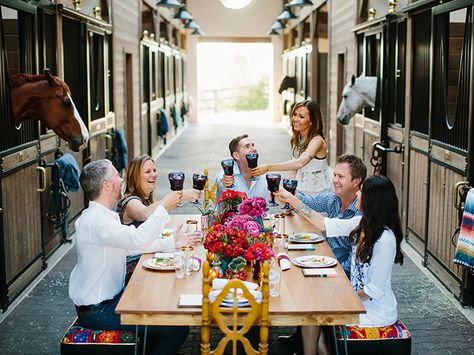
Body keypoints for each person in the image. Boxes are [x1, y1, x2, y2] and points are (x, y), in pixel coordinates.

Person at [69, 159, 189, 355]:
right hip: (98, 311)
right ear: (106, 185)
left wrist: (171, 243)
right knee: (176, 328)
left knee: (162, 303)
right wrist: (163, 207)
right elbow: (137, 239)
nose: (121, 179)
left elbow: (128, 247)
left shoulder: (102, 216)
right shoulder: (96, 221)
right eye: (117, 175)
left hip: (112, 300)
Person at [275, 175, 404, 355]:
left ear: (373, 200)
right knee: (311, 307)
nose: (358, 194)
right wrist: (293, 200)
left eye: (362, 191)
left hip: (373, 312)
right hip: (356, 300)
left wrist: (341, 297)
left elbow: (373, 291)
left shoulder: (385, 240)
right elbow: (323, 223)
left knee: (314, 310)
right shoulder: (362, 224)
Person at [275, 154, 366, 347]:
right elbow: (309, 201)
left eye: (341, 177)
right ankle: (303, 338)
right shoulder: (333, 199)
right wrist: (286, 192)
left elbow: (354, 262)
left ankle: (315, 345)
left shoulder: (360, 214)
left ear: (356, 181)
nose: (334, 180)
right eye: (334, 175)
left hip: (343, 273)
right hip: (327, 262)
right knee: (295, 265)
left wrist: (332, 272)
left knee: (305, 283)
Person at [115, 155, 200, 282]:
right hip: (132, 270)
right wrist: (178, 197)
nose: (153, 174)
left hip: (146, 258)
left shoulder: (145, 199)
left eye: (154, 170)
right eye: (148, 171)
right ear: (135, 176)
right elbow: (145, 213)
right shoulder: (129, 202)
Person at [251, 100, 332, 195]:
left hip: (318, 192)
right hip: (301, 189)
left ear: (312, 121)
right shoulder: (297, 139)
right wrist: (288, 192)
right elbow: (294, 170)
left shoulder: (317, 141)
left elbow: (300, 163)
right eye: (295, 114)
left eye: (301, 117)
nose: (295, 119)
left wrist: (268, 167)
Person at [216, 134, 268, 200]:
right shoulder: (225, 175)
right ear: (236, 155)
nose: (254, 149)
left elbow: (267, 206)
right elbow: (221, 181)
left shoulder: (264, 177)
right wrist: (225, 182)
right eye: (247, 146)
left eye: (253, 145)